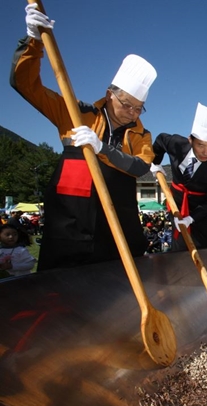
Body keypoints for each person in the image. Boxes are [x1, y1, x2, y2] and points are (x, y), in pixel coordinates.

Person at [11, 5, 157, 270]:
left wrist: (102, 148)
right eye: (127, 104)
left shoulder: (141, 134)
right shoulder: (76, 113)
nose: (132, 113)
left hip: (117, 231)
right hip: (70, 224)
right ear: (110, 93)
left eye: (139, 108)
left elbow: (140, 166)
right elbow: (25, 84)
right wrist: (33, 41)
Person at [151, 103, 207, 251]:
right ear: (190, 140)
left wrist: (190, 218)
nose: (206, 152)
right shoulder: (176, 144)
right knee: (179, 248)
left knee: (205, 251)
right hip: (178, 206)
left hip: (204, 214)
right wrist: (156, 162)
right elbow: (160, 140)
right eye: (201, 145)